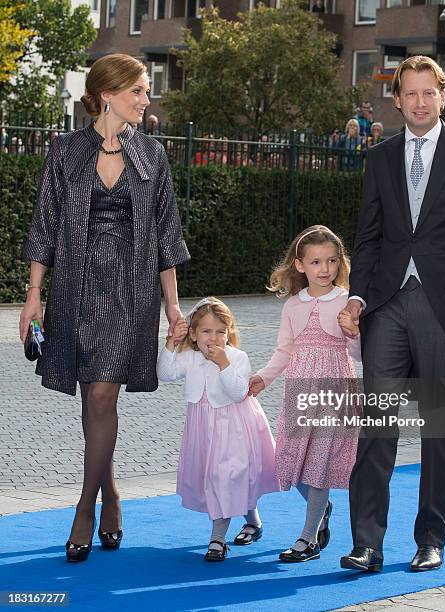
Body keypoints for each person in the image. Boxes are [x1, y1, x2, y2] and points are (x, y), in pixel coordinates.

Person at [19, 53, 190, 562]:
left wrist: (174, 309)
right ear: (109, 94)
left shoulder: (153, 156)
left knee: (100, 398)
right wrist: (33, 296)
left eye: (145, 91)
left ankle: (84, 507)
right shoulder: (65, 151)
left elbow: (165, 237)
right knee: (93, 400)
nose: (146, 100)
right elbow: (44, 225)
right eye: (138, 91)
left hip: (131, 293)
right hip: (76, 290)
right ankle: (112, 495)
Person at [339, 56, 445, 573]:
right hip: (387, 305)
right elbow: (367, 238)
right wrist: (357, 296)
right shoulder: (380, 157)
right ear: (397, 99)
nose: (419, 102)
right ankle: (367, 541)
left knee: (437, 429)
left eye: (427, 92)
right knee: (377, 425)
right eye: (409, 93)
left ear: (443, 95)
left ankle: (431, 538)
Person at [249, 225, 361, 563]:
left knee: (320, 463)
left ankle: (307, 538)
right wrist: (262, 379)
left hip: (334, 390)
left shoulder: (346, 301)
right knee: (287, 459)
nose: (324, 268)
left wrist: (352, 331)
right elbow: (284, 351)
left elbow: (357, 353)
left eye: (331, 261)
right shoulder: (293, 306)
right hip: (299, 390)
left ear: (340, 263)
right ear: (300, 265)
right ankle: (322, 505)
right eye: (315, 262)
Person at [156, 297, 279, 562]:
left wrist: (223, 364)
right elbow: (164, 374)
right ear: (193, 333)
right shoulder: (189, 357)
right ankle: (254, 523)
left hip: (234, 427)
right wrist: (170, 343)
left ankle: (217, 540)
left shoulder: (237, 357)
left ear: (229, 332)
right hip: (203, 430)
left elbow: (237, 394)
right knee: (220, 479)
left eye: (220, 332)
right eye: (206, 331)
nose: (214, 338)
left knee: (226, 478)